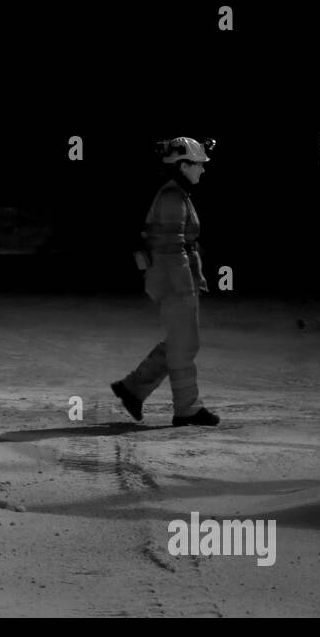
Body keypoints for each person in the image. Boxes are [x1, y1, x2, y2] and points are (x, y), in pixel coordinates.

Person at [111, 136, 220, 427]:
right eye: (199, 165)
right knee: (184, 344)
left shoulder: (176, 195)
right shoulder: (173, 198)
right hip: (173, 281)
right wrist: (186, 286)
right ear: (183, 165)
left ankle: (133, 389)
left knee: (180, 342)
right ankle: (187, 410)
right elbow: (172, 249)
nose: (203, 170)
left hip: (171, 278)